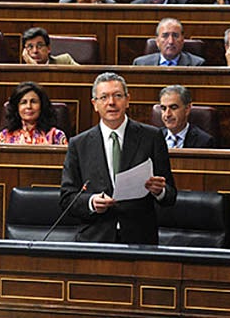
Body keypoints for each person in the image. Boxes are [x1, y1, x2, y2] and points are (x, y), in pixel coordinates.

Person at [60, 72, 177, 244]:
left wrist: (160, 191)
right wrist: (91, 202)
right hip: (95, 240)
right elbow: (66, 198)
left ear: (127, 100)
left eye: (117, 96)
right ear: (95, 104)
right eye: (104, 97)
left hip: (140, 240)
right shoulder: (79, 144)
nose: (111, 103)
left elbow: (171, 196)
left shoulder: (151, 137)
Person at [0, 81, 68, 145]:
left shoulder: (56, 135)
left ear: (42, 105)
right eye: (23, 102)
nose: (29, 106)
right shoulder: (5, 136)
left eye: (33, 102)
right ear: (16, 107)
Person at [132, 18, 205, 66]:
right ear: (157, 41)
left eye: (175, 36)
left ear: (182, 40)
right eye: (165, 36)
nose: (171, 41)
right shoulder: (140, 64)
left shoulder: (197, 64)